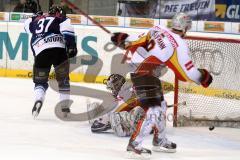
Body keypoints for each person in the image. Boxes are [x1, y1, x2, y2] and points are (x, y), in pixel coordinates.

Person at [110, 12, 213, 159]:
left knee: (162, 105)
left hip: (146, 73)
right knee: (155, 110)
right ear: (185, 28)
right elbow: (186, 74)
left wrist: (123, 39)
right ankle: (135, 143)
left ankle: (159, 139)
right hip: (145, 75)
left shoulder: (157, 28)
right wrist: (203, 77)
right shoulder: (179, 44)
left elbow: (136, 41)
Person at [24, 6, 77, 118]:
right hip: (59, 51)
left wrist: (35, 17)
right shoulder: (61, 19)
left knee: (40, 82)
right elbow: (67, 29)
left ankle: (39, 99)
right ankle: (65, 107)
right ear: (58, 13)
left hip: (41, 52)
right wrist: (72, 46)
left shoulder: (36, 20)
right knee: (63, 80)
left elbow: (26, 25)